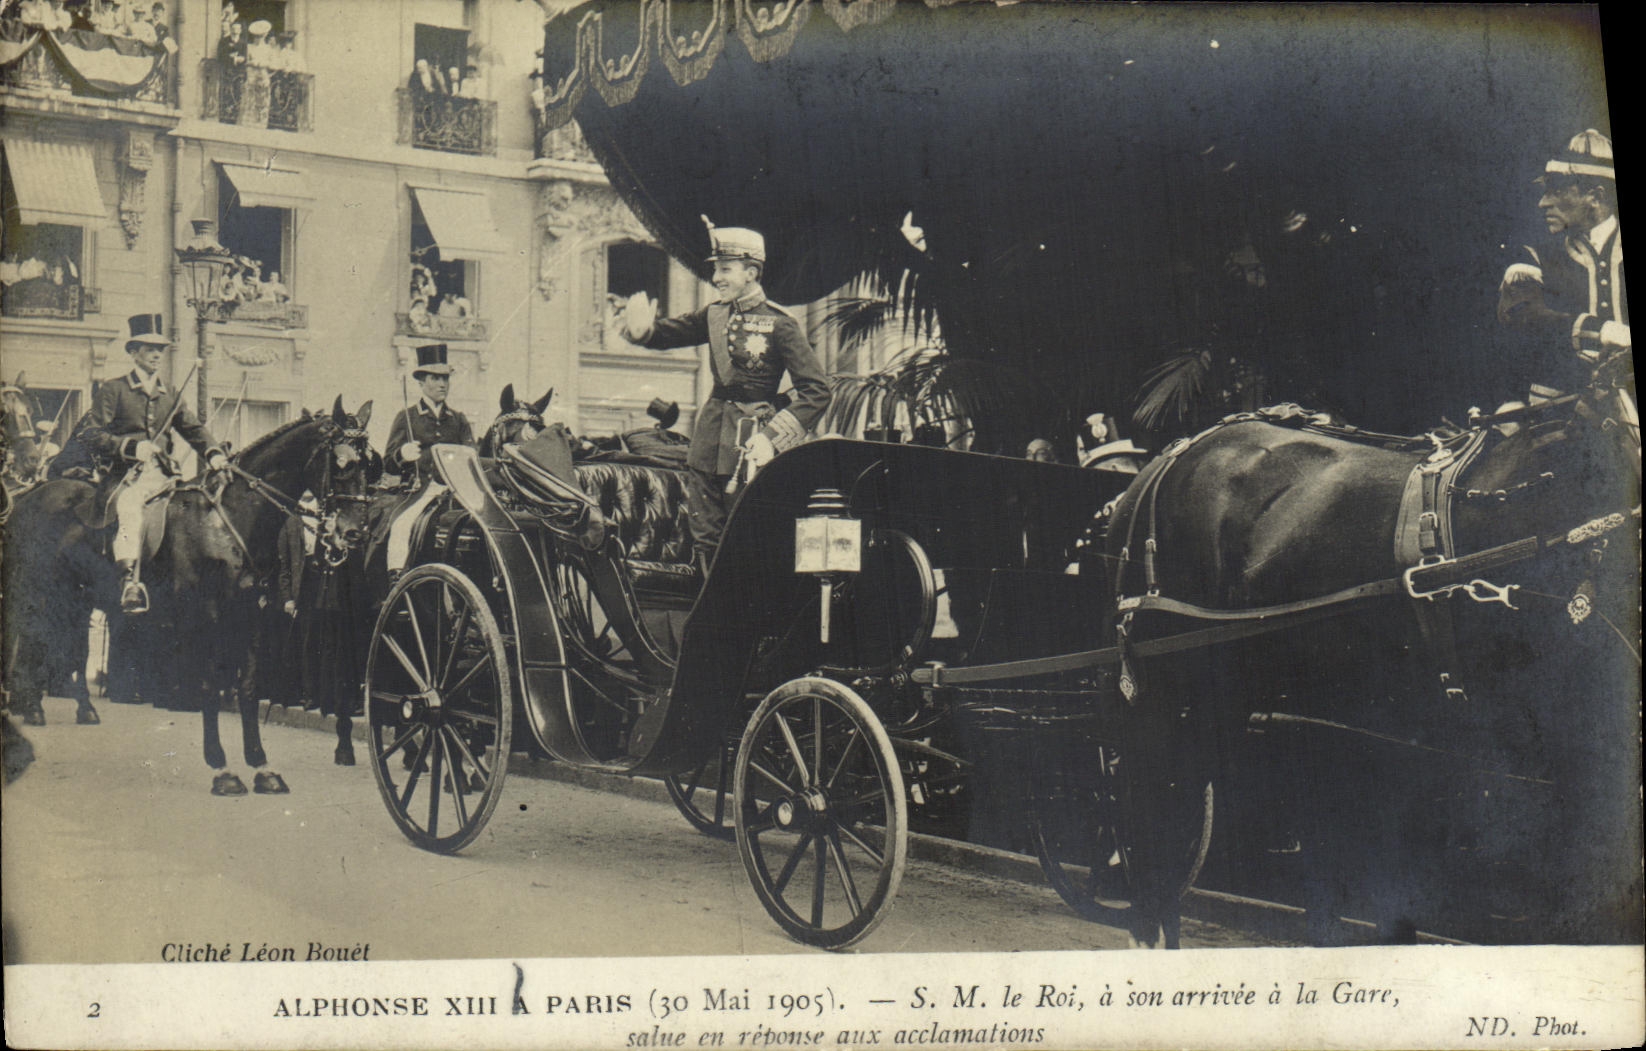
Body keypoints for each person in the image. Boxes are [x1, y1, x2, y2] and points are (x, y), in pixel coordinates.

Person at [620, 221, 830, 569]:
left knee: (747, 536)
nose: (716, 278)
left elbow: (817, 390)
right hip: (709, 440)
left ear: (751, 272)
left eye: (725, 269)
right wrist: (643, 332)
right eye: (716, 269)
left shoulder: (780, 323)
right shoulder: (714, 315)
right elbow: (671, 333)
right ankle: (711, 617)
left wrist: (772, 438)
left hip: (750, 446)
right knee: (704, 535)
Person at [79, 314, 228, 613]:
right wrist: (130, 446)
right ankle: (129, 583)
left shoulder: (168, 394)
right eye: (149, 349)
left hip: (164, 476)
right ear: (134, 352)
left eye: (160, 349)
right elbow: (90, 433)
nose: (157, 355)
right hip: (125, 477)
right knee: (131, 508)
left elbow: (193, 429)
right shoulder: (114, 389)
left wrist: (212, 452)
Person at [1497, 129, 1628, 400]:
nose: (1543, 202)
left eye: (1556, 191)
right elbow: (1522, 314)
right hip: (1560, 416)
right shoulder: (1534, 257)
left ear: (1596, 196)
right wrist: (1601, 330)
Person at [382, 343, 475, 573]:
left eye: (445, 378)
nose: (442, 384)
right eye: (435, 378)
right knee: (401, 527)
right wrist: (402, 455)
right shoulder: (407, 418)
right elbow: (388, 464)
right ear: (422, 383)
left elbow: (471, 458)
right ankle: (398, 580)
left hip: (454, 491)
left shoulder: (459, 420)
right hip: (419, 492)